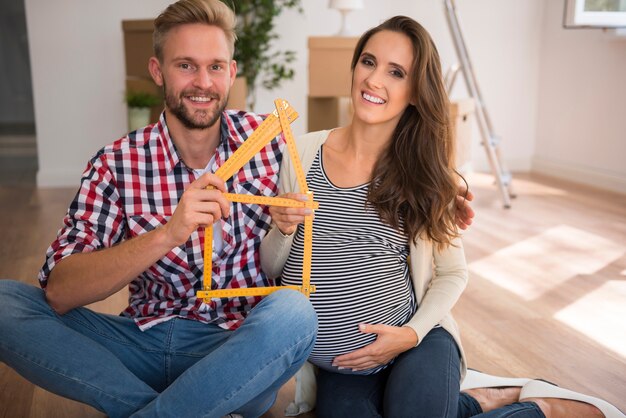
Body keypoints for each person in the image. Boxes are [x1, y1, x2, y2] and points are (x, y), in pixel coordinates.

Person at [260, 15, 625, 418]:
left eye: (396, 72)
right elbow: (271, 267)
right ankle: (477, 402)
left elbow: (453, 273)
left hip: (418, 339)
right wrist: (282, 228)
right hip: (345, 369)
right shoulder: (301, 153)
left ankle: (542, 410)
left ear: (415, 92)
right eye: (368, 62)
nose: (374, 80)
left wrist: (409, 335)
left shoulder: (424, 174)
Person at [0, 1, 318, 417]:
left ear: (232, 72)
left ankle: (179, 402)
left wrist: (287, 224)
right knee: (5, 302)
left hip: (232, 345)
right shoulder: (117, 162)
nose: (203, 82)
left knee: (294, 313)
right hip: (140, 341)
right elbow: (60, 291)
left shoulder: (267, 142)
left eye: (216, 67)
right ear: (157, 71)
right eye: (186, 65)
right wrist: (168, 233)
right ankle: (202, 404)